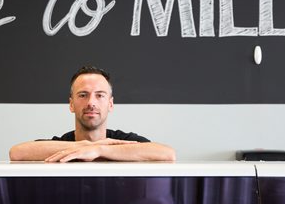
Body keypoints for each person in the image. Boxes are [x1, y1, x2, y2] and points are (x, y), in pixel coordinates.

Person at [9, 66, 176, 162]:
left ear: (110, 104)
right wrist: (84, 146)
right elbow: (17, 153)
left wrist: (99, 150)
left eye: (100, 95)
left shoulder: (122, 141)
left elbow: (168, 154)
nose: (91, 102)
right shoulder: (62, 143)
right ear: (71, 104)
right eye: (83, 95)